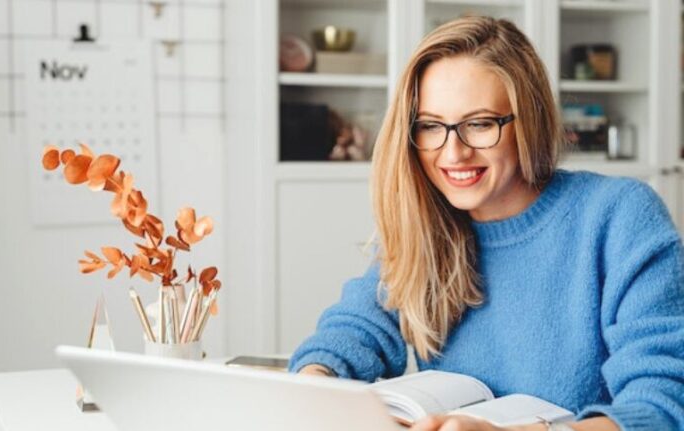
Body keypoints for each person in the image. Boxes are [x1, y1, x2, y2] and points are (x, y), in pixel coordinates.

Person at [288, 16, 684, 431]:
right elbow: (351, 332)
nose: (452, 153)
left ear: (527, 121)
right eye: (430, 126)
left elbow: (662, 405)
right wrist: (316, 391)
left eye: (479, 124)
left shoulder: (618, 216)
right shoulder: (426, 221)